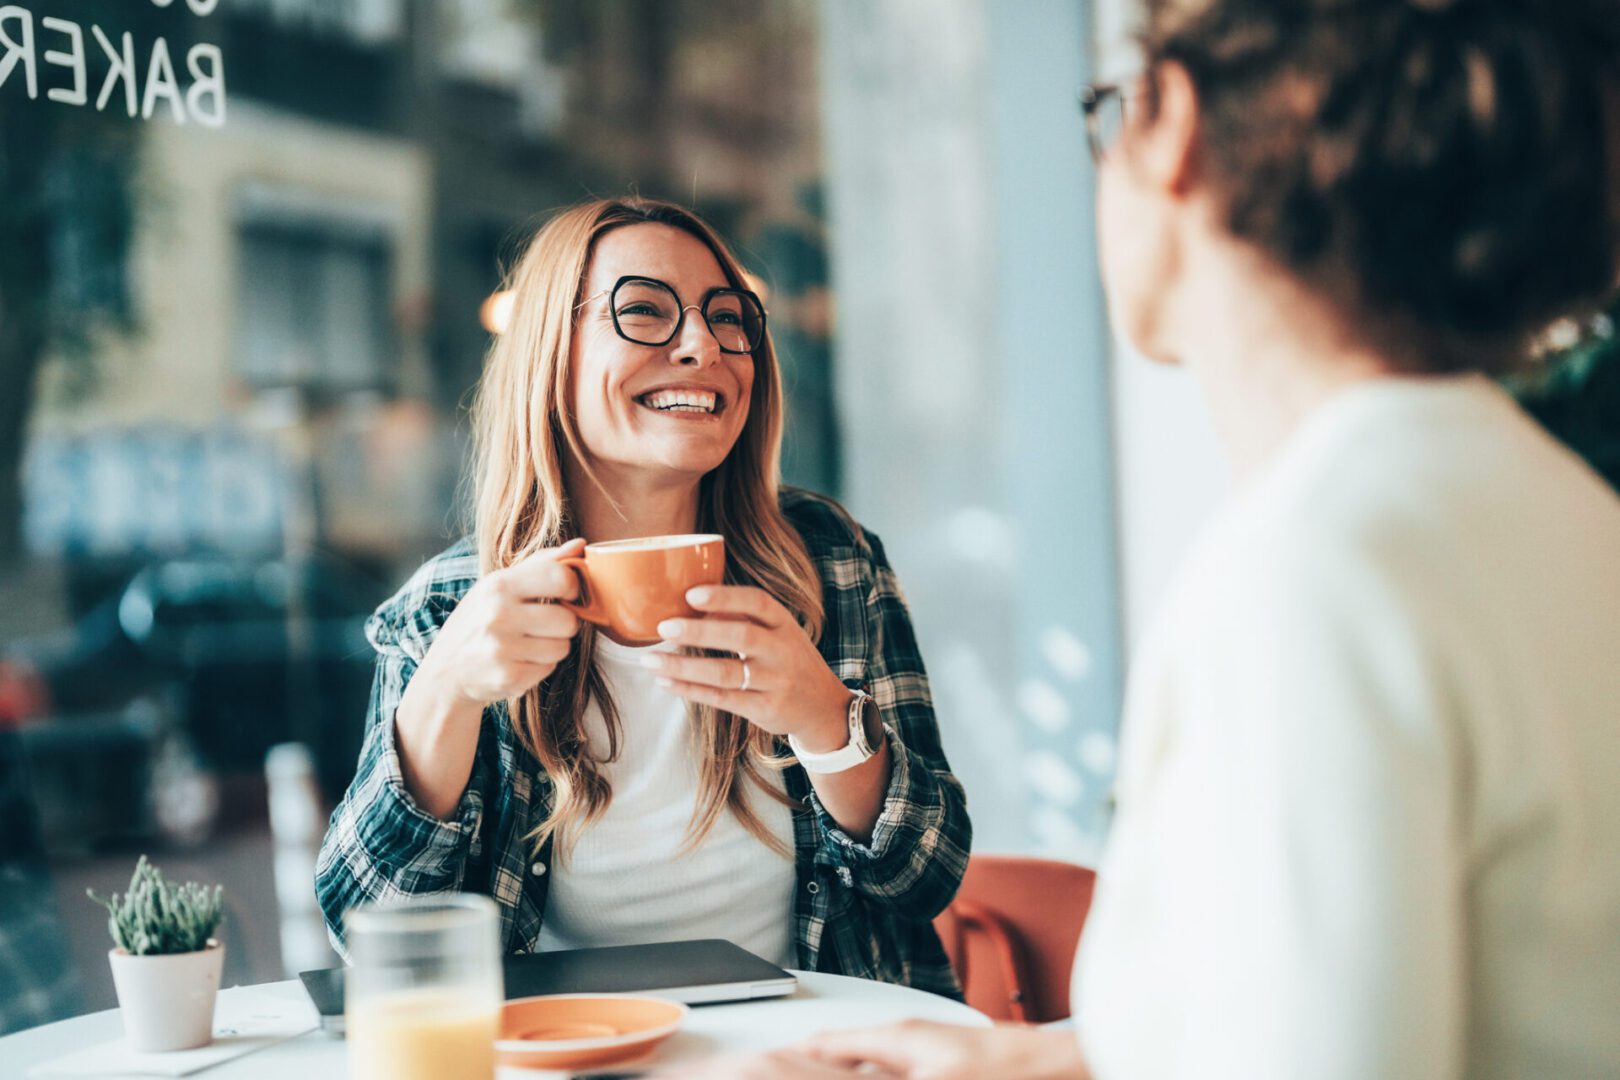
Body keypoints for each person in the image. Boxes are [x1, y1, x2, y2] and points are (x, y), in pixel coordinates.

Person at [673, 0, 1620, 1076]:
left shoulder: (1316, 571)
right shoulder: (1558, 511)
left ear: (1170, 127)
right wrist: (1035, 1064)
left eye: (1105, 111)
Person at [314, 198, 970, 995]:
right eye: (645, 313)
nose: (703, 346)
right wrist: (445, 691)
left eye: (729, 320)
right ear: (554, 354)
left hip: (817, 1051)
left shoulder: (830, 562)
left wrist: (825, 720)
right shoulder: (451, 607)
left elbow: (929, 875)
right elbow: (367, 936)